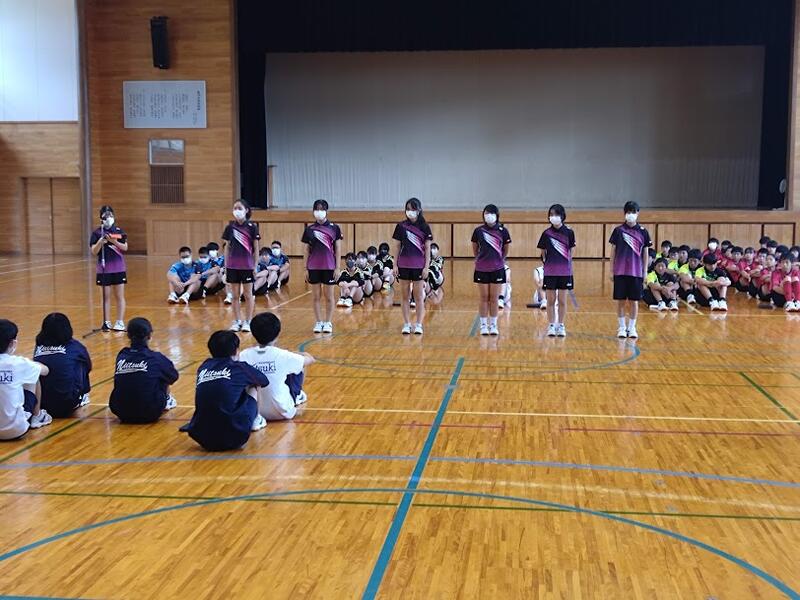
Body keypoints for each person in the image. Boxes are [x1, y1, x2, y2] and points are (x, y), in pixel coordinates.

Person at [181, 331, 269, 451]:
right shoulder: (239, 367)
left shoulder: (204, 367)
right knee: (254, 384)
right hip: (236, 436)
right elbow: (264, 381)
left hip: (202, 437)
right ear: (237, 350)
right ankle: (256, 420)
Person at [239, 312, 315, 420]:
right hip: (283, 411)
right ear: (277, 333)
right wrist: (299, 353)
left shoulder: (243, 355)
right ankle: (297, 395)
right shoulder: (282, 355)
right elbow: (310, 360)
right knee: (299, 364)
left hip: (254, 411)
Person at [108, 318, 179, 424]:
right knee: (161, 374)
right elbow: (173, 376)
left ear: (128, 335)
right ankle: (167, 400)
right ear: (149, 336)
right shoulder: (155, 358)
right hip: (150, 412)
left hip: (120, 411)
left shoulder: (122, 355)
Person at [0, 319, 52, 440]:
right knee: (33, 375)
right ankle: (37, 416)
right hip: (16, 429)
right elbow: (45, 371)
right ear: (12, 343)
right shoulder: (19, 363)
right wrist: (32, 364)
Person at [33, 313, 92, 418]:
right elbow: (88, 366)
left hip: (42, 403)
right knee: (81, 362)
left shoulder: (39, 346)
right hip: (67, 402)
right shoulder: (75, 346)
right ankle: (81, 396)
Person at [608, 201, 651, 338]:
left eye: (633, 212)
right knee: (620, 301)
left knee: (634, 301)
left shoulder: (643, 232)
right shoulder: (618, 231)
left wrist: (645, 272)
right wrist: (611, 270)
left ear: (638, 213)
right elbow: (613, 251)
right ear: (624, 213)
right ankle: (622, 327)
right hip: (620, 271)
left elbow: (645, 253)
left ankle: (632, 328)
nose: (631, 214)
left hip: (636, 272)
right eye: (628, 212)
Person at [302, 199, 342, 334]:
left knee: (329, 297)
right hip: (313, 267)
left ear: (326, 211)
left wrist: (337, 267)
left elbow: (338, 248)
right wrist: (305, 268)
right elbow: (306, 250)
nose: (319, 211)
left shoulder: (334, 228)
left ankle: (328, 322)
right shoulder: (309, 229)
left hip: (329, 267)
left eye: (321, 209)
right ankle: (319, 322)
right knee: (316, 297)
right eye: (316, 209)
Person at [393, 198, 433, 335]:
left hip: (418, 266)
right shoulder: (401, 226)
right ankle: (406, 324)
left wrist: (426, 267)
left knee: (418, 297)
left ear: (419, 210)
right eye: (408, 209)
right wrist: (395, 265)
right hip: (403, 265)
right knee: (405, 296)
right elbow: (397, 246)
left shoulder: (425, 227)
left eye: (413, 209)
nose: (410, 211)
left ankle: (419, 324)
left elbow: (427, 248)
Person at [471, 204, 511, 336]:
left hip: (497, 269)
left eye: (491, 213)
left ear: (496, 215)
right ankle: (483, 325)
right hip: (482, 268)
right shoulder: (478, 231)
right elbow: (475, 247)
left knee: (494, 298)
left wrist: (501, 260)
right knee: (484, 297)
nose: (489, 216)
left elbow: (506, 248)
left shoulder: (502, 231)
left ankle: (493, 325)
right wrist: (478, 259)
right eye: (486, 213)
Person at [537, 203, 575, 337]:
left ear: (562, 216)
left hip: (564, 272)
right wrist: (547, 264)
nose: (554, 217)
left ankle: (561, 325)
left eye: (556, 214)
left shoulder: (569, 232)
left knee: (562, 301)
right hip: (550, 272)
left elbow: (571, 251)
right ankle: (552, 325)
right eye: (551, 215)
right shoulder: (546, 233)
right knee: (551, 300)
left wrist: (567, 265)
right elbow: (543, 252)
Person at [222, 200, 260, 332]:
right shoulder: (230, 228)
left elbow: (256, 248)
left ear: (246, 210)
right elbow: (227, 248)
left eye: (239, 208)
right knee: (235, 295)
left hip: (247, 267)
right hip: (233, 267)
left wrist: (255, 266)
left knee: (248, 295)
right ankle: (237, 321)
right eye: (235, 208)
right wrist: (226, 266)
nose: (237, 211)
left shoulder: (252, 227)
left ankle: (248, 321)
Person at [89, 205, 128, 331]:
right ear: (101, 218)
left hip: (118, 268)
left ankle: (120, 322)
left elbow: (125, 247)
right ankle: (106, 322)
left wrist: (114, 241)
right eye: (106, 216)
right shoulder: (96, 233)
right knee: (105, 297)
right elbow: (94, 251)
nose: (109, 218)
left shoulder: (119, 231)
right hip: (104, 269)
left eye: (110, 215)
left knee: (119, 296)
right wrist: (100, 242)